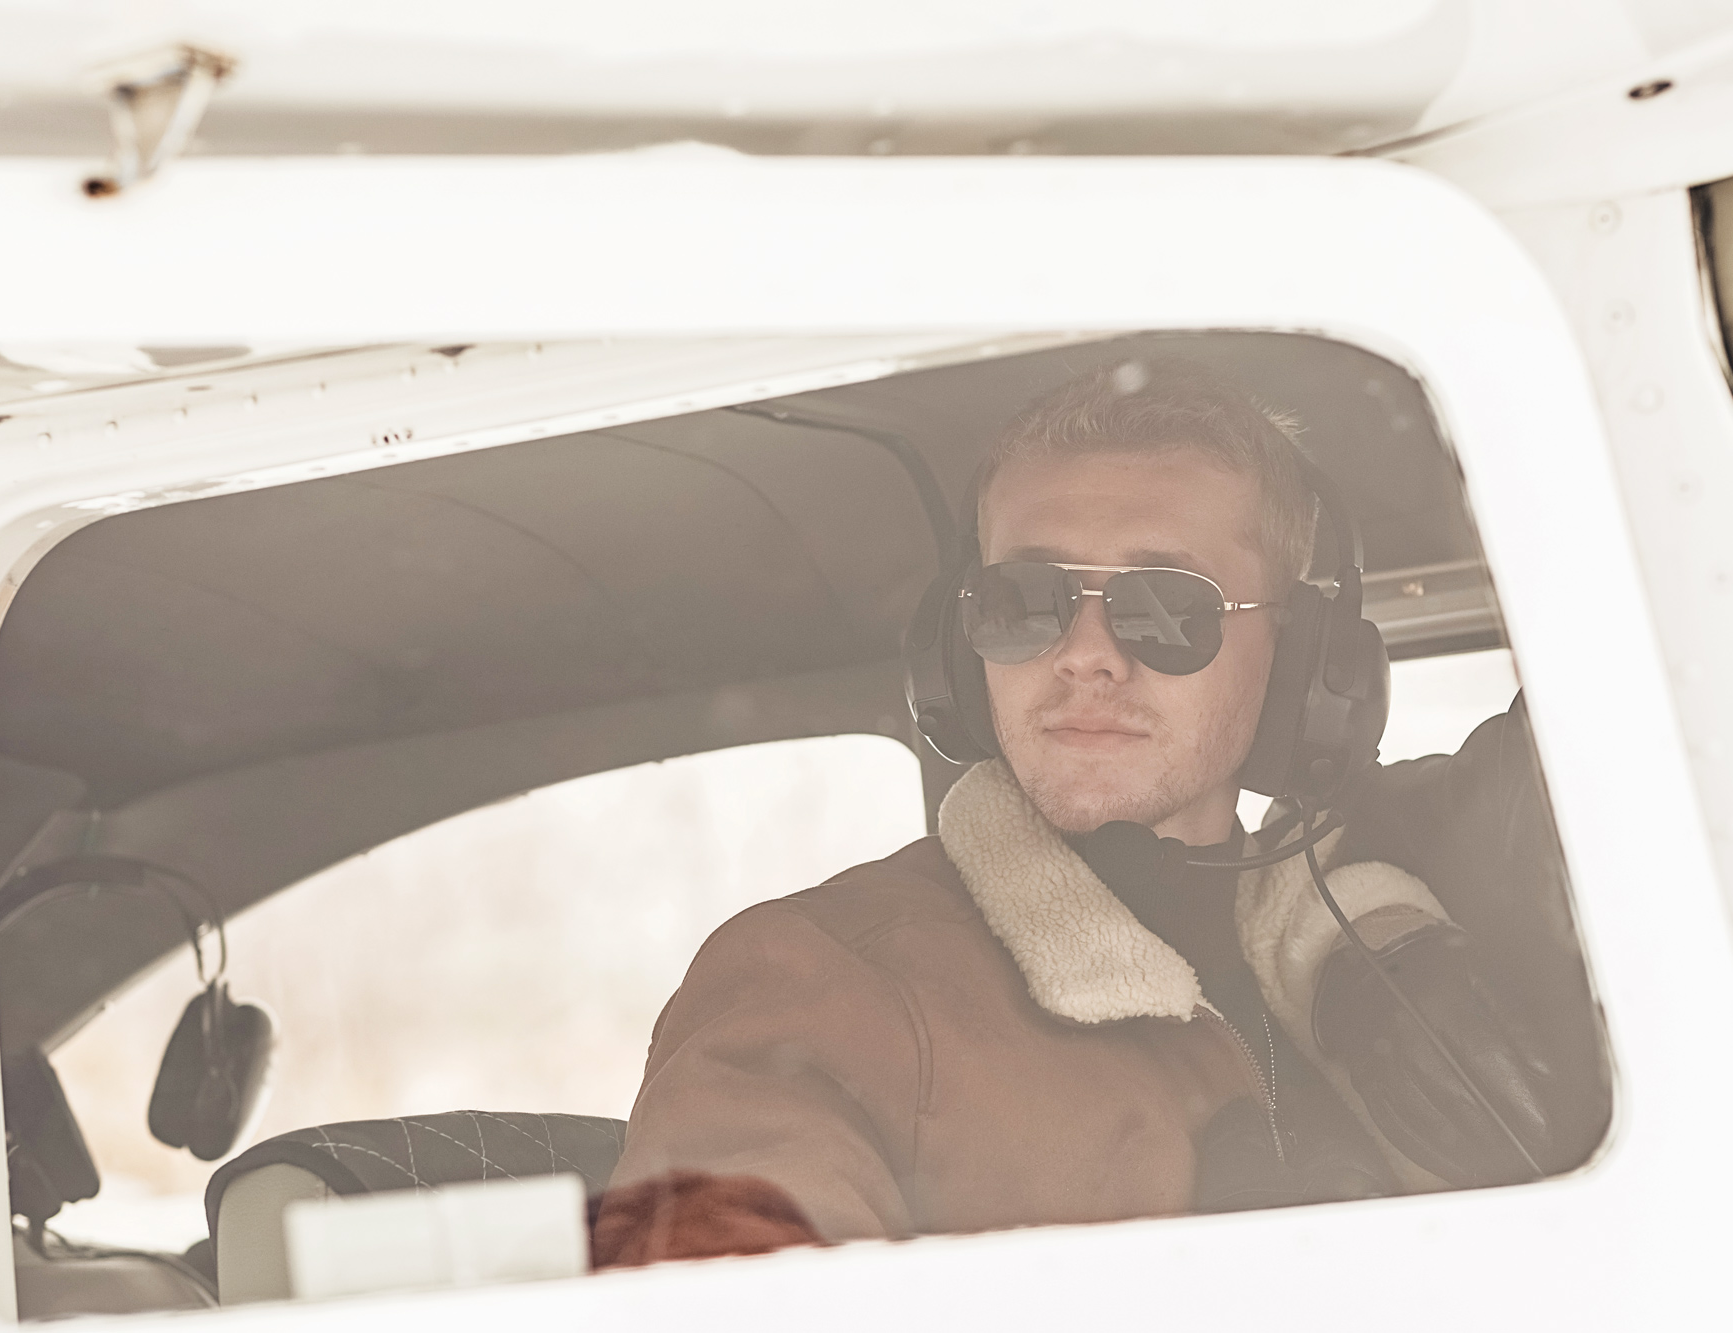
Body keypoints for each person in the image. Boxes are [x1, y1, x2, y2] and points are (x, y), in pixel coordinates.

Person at [589, 357, 1606, 1267]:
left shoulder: (1402, 893)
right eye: (1022, 602)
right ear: (962, 647)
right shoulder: (825, 978)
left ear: (1300, 661)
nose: (1082, 652)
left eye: (1166, 607)